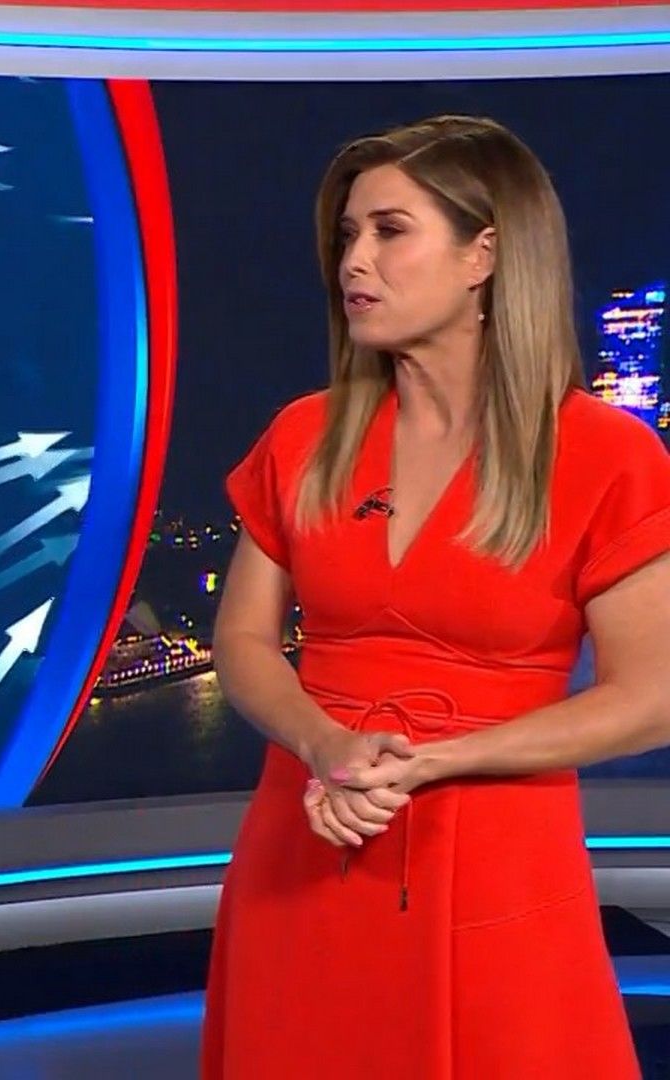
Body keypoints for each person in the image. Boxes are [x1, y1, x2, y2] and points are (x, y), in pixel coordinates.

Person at [202, 114, 670, 1079]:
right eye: (347, 235)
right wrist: (324, 744)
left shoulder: (605, 455)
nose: (353, 261)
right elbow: (242, 641)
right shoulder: (303, 437)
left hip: (497, 857)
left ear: (482, 256)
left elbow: (653, 695)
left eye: (389, 230)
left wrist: (437, 762)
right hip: (309, 836)